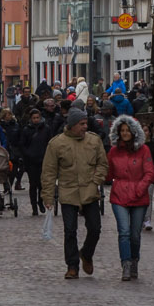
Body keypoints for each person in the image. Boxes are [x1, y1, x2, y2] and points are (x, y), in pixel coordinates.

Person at [40, 108, 109, 279]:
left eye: (86, 123)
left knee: (95, 228)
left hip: (89, 191)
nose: (85, 127)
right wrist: (47, 197)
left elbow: (103, 164)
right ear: (71, 125)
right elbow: (48, 172)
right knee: (70, 230)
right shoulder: (56, 144)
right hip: (68, 192)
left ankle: (86, 253)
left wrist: (96, 181)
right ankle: (72, 265)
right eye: (81, 124)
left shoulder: (94, 141)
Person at [106, 116, 154, 281]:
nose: (125, 133)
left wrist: (140, 189)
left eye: (128, 130)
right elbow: (108, 173)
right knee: (124, 232)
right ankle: (125, 263)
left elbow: (149, 173)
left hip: (138, 196)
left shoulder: (144, 150)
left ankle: (134, 260)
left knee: (135, 234)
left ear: (134, 132)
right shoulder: (113, 151)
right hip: (119, 195)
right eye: (122, 130)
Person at [14, 108, 50, 215]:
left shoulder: (46, 129)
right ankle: (34, 206)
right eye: (34, 118)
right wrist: (27, 154)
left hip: (43, 160)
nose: (36, 120)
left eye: (37, 118)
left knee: (42, 184)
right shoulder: (26, 130)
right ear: (31, 119)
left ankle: (40, 202)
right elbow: (22, 144)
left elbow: (49, 142)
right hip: (31, 161)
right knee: (33, 184)